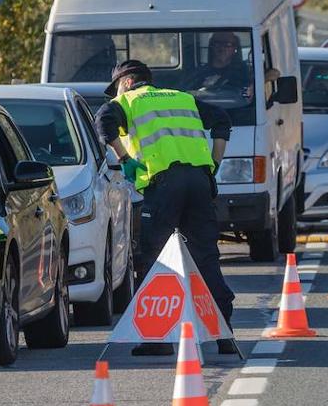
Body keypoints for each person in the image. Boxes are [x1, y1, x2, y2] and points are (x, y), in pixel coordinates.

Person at [96, 59, 238, 356]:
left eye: (117, 88)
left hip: (163, 185)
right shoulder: (182, 98)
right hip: (199, 182)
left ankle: (157, 338)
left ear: (126, 82)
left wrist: (124, 159)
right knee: (205, 256)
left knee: (155, 257)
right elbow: (222, 119)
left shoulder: (128, 101)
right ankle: (224, 333)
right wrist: (213, 165)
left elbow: (103, 123)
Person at [186, 32, 250, 96]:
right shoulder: (198, 73)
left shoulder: (244, 73)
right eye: (217, 43)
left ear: (235, 48)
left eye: (228, 44)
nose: (222, 48)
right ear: (211, 46)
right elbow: (186, 93)